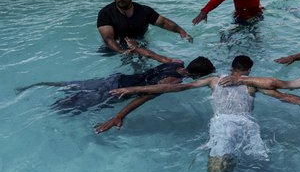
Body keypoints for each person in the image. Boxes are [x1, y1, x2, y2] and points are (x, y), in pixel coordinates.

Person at [102, 55, 300, 172]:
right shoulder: (253, 83)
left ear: (232, 68)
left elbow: (172, 88)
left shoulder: (212, 80)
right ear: (248, 69)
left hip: (223, 125)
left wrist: (134, 88)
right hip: (249, 128)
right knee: (233, 168)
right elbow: (287, 97)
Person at [17, 56, 215, 114]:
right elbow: (148, 94)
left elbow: (152, 58)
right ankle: (39, 111)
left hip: (117, 78)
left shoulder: (175, 62)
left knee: (71, 85)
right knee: (71, 106)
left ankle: (35, 86)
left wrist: (135, 50)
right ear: (197, 75)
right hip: (118, 90)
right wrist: (125, 106)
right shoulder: (175, 81)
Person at [97, 0, 193, 56]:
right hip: (114, 49)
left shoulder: (144, 11)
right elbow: (108, 38)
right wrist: (123, 52)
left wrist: (183, 33)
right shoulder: (105, 13)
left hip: (140, 43)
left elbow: (163, 22)